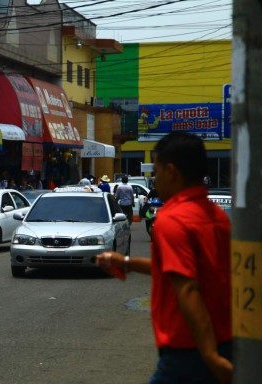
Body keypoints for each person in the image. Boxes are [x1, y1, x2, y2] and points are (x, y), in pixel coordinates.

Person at [96, 132, 232, 384]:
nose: (156, 180)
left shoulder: (172, 219)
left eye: (157, 172)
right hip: (223, 338)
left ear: (171, 171)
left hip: (188, 350)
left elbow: (188, 287)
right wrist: (126, 263)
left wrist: (209, 355)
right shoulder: (217, 216)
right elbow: (181, 269)